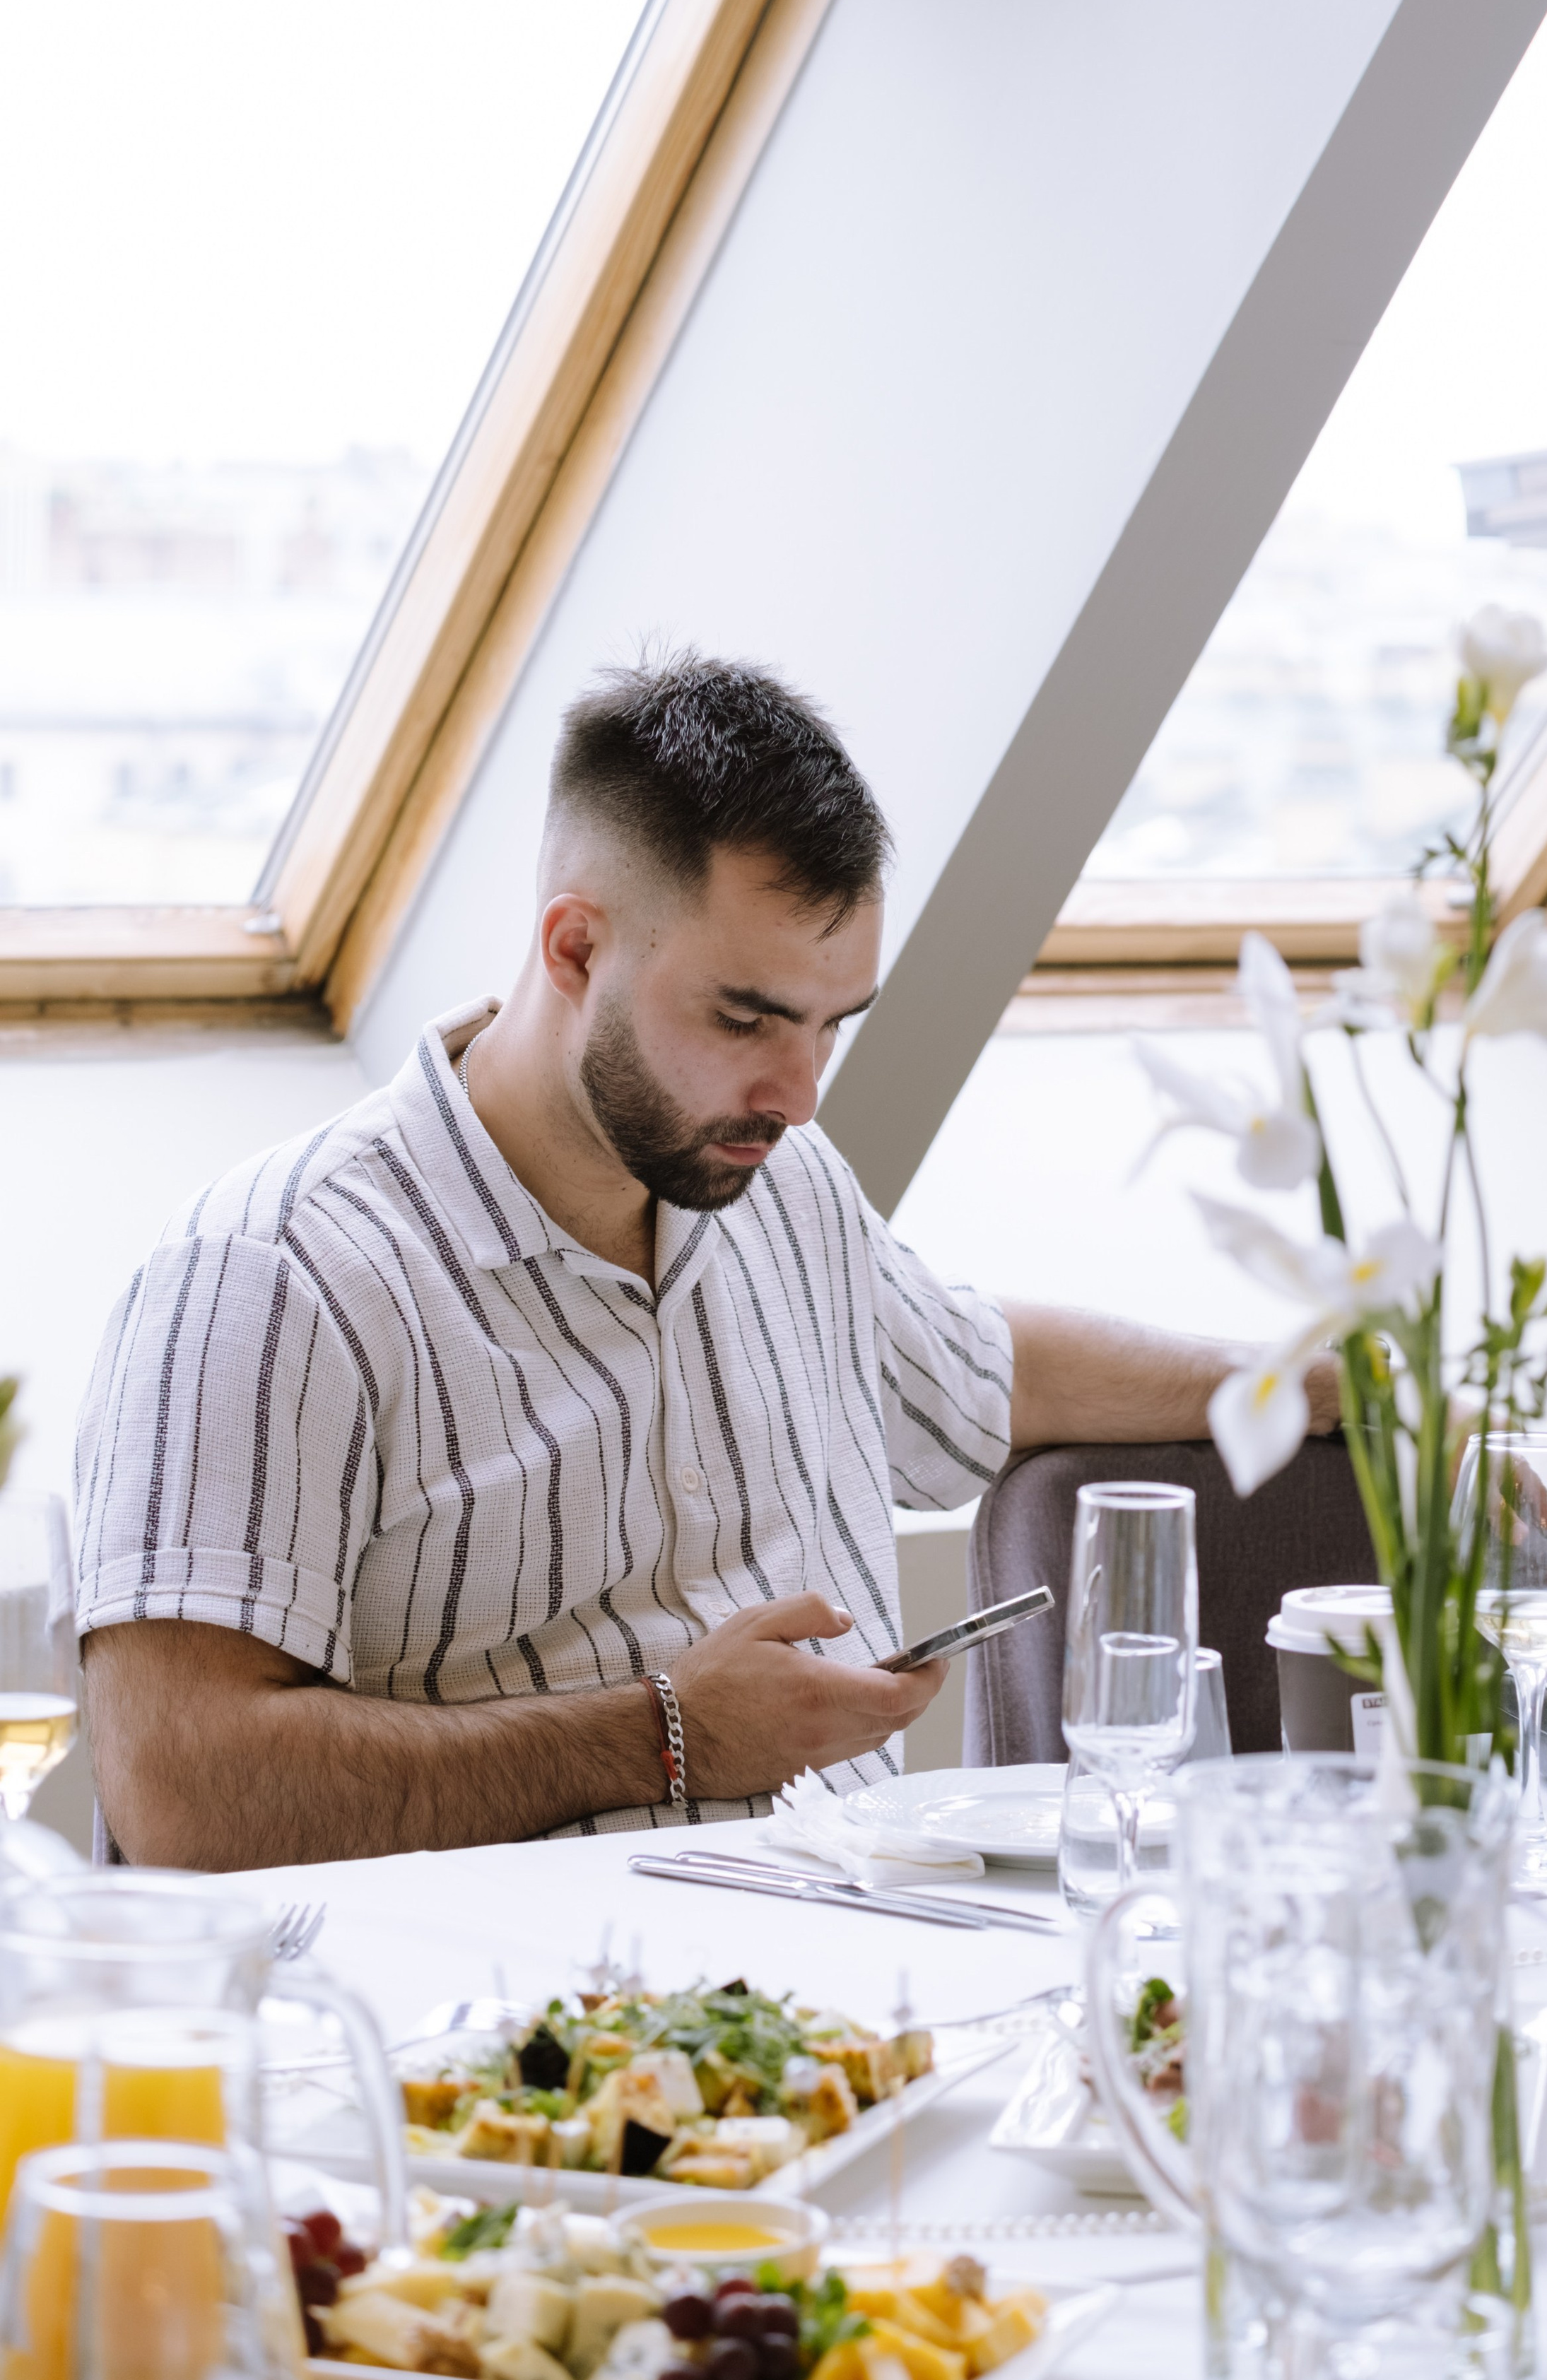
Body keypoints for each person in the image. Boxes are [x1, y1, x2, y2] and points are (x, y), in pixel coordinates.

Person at [76, 656, 1340, 1869]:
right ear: (575, 950)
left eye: (832, 1025)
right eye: (745, 1018)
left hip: (876, 1978)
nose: (799, 1094)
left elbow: (989, 1372)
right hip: (518, 2037)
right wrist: (665, 1736)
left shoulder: (781, 1188)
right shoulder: (272, 1278)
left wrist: (1322, 1381)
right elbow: (182, 1790)